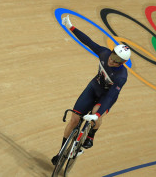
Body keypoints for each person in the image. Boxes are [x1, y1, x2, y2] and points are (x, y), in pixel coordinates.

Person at [51, 15, 131, 165]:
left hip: (106, 97)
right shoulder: (104, 53)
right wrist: (71, 26)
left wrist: (98, 115)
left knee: (95, 112)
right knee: (74, 119)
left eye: (117, 61)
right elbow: (88, 42)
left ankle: (91, 135)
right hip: (94, 87)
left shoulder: (121, 76)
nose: (112, 60)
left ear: (123, 62)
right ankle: (61, 153)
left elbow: (112, 95)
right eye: (113, 56)